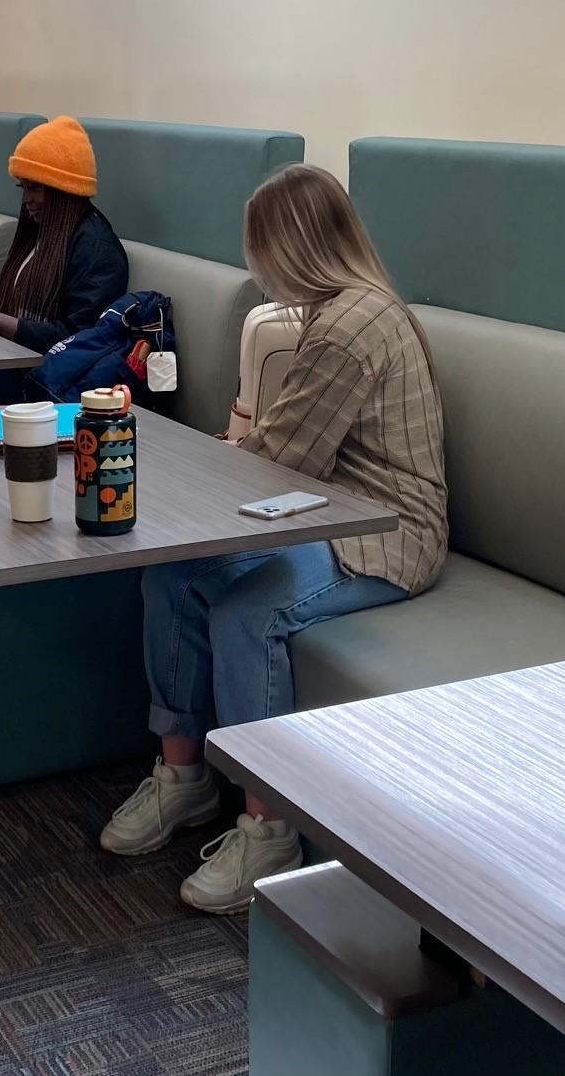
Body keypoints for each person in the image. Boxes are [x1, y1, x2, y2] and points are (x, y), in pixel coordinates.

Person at [98, 164, 449, 914]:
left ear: (291, 247)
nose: (255, 268)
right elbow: (286, 456)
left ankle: (270, 822)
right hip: (329, 509)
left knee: (247, 609)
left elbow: (283, 459)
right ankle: (184, 775)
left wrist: (189, 466)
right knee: (173, 574)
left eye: (259, 248)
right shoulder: (337, 312)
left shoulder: (352, 327)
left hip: (387, 531)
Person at [0, 115, 129, 351]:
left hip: (44, 376)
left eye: (35, 188)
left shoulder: (96, 248)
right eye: (23, 187)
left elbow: (77, 339)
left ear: (63, 190)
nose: (26, 199)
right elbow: (22, 311)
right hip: (12, 356)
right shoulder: (40, 230)